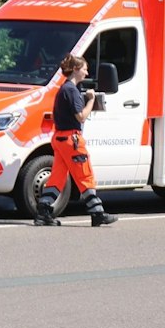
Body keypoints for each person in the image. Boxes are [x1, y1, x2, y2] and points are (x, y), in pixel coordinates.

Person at [35, 55, 118, 228]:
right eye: (85, 68)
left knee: (57, 178)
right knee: (85, 175)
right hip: (71, 140)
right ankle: (97, 213)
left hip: (60, 138)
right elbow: (80, 116)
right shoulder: (71, 90)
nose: (87, 71)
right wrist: (91, 101)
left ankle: (43, 211)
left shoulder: (63, 89)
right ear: (75, 69)